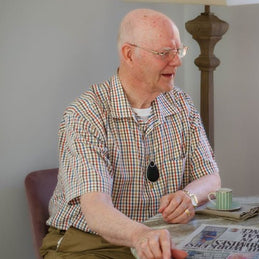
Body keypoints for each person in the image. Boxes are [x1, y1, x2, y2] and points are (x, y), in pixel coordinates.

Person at [40, 9, 221, 259]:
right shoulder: (86, 113)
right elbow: (95, 209)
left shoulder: (181, 104)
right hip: (90, 243)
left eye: (178, 51)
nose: (177, 61)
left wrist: (188, 197)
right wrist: (140, 235)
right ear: (129, 54)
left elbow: (211, 178)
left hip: (162, 236)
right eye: (164, 53)